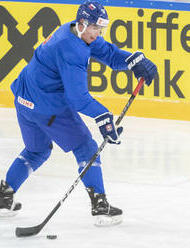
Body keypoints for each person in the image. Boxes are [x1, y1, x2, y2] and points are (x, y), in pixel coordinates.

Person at [0, 1, 157, 226]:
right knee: (85, 147)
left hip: (24, 100)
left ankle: (4, 196)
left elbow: (110, 55)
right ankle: (100, 206)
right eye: (94, 27)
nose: (97, 33)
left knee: (37, 150)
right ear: (83, 23)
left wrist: (134, 61)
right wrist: (104, 117)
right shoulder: (71, 49)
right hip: (46, 106)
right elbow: (77, 98)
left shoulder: (73, 31)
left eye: (100, 28)